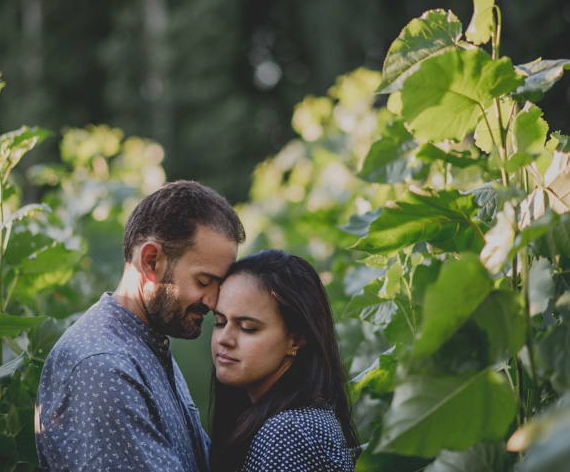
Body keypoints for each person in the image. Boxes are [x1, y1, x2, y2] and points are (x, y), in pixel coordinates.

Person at [35, 180, 245, 472]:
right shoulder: (103, 367)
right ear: (150, 261)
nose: (213, 301)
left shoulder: (146, 343)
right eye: (203, 281)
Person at [209, 249, 358, 472]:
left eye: (248, 328)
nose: (224, 338)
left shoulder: (288, 433)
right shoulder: (297, 421)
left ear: (296, 340)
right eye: (220, 322)